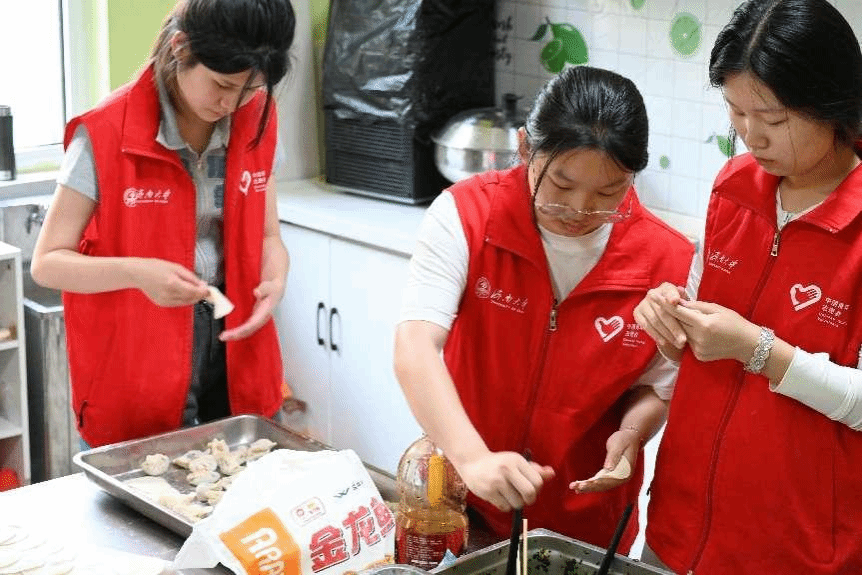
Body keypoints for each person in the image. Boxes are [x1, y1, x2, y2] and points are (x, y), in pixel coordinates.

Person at [394, 65, 694, 552]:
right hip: (463, 507)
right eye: (560, 183)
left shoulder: (668, 262)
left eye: (608, 192)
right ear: (524, 149)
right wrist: (473, 460)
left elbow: (656, 387)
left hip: (583, 526)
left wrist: (632, 434)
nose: (579, 210)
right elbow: (415, 346)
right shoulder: (468, 215)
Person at [633, 0, 862, 572]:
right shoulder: (733, 187)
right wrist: (670, 319)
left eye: (774, 119)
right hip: (680, 524)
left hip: (796, 548)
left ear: (832, 103)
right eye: (736, 112)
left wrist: (758, 350)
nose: (751, 136)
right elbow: (698, 326)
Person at [30, 0, 296, 448]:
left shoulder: (257, 118)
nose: (231, 104)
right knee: (149, 479)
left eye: (250, 90)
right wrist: (138, 273)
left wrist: (276, 274)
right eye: (222, 85)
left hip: (238, 347)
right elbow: (47, 263)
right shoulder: (106, 132)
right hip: (139, 356)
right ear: (180, 47)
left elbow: (269, 234)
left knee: (254, 478)